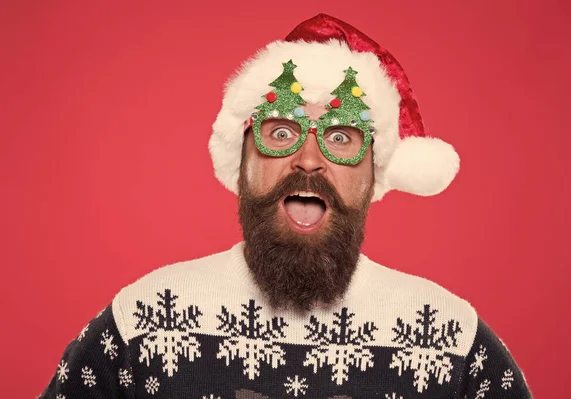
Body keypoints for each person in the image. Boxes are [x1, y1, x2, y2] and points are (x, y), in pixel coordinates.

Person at [39, 13, 532, 399]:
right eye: (281, 132)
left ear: (373, 172)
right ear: (242, 161)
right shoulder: (143, 322)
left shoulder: (450, 339)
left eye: (340, 137)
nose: (309, 159)